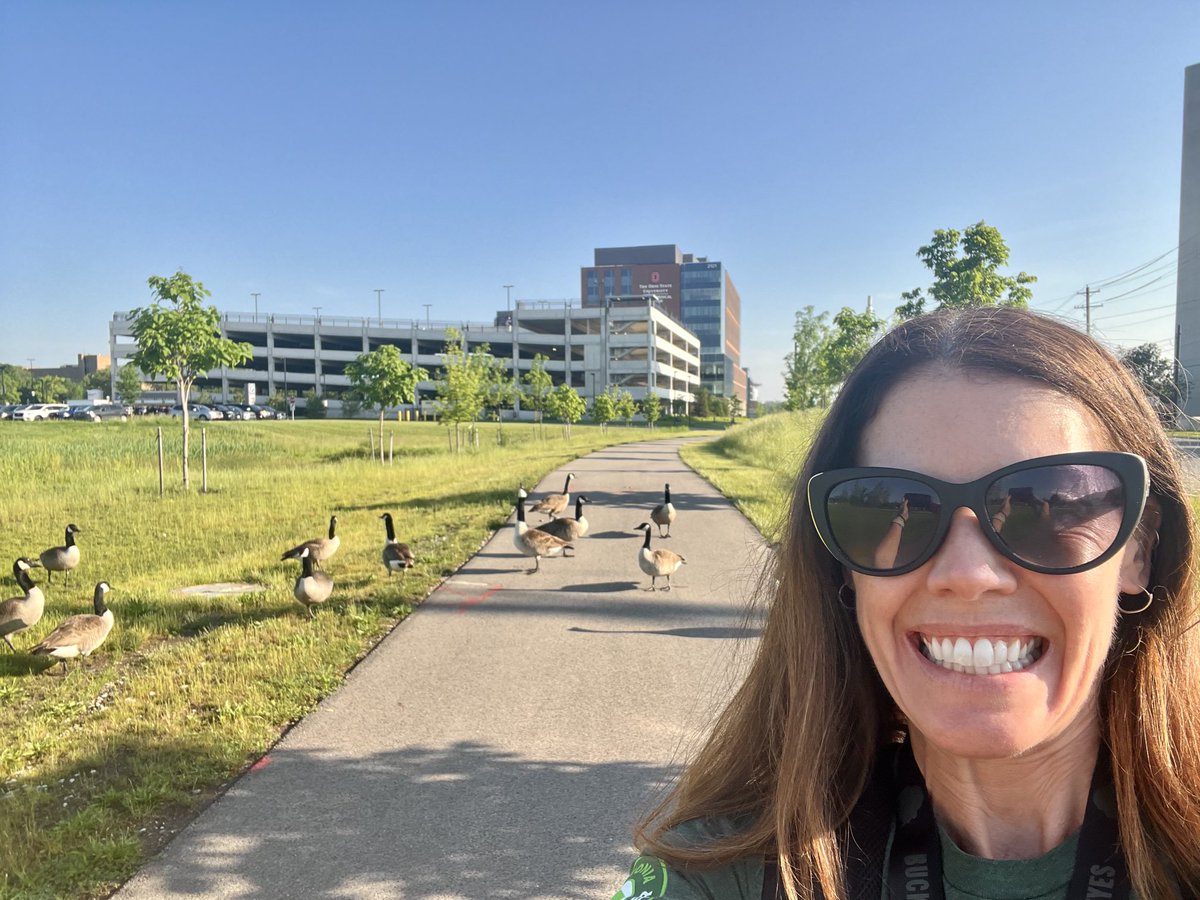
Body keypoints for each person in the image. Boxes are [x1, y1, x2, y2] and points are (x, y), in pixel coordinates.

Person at [612, 307, 1200, 899]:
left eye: (1044, 504)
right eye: (895, 506)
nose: (967, 574)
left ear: (1138, 550)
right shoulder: (722, 871)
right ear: (843, 564)